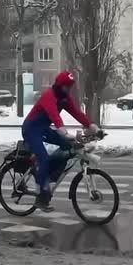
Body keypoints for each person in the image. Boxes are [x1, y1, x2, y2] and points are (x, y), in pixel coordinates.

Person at [22, 71, 98, 212]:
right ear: (59, 85)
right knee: (43, 158)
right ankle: (41, 196)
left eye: (70, 87)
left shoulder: (64, 98)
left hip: (44, 129)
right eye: (66, 86)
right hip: (31, 129)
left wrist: (91, 126)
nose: (68, 89)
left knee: (67, 147)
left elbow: (77, 113)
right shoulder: (49, 96)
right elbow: (54, 115)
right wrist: (63, 132)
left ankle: (49, 174)